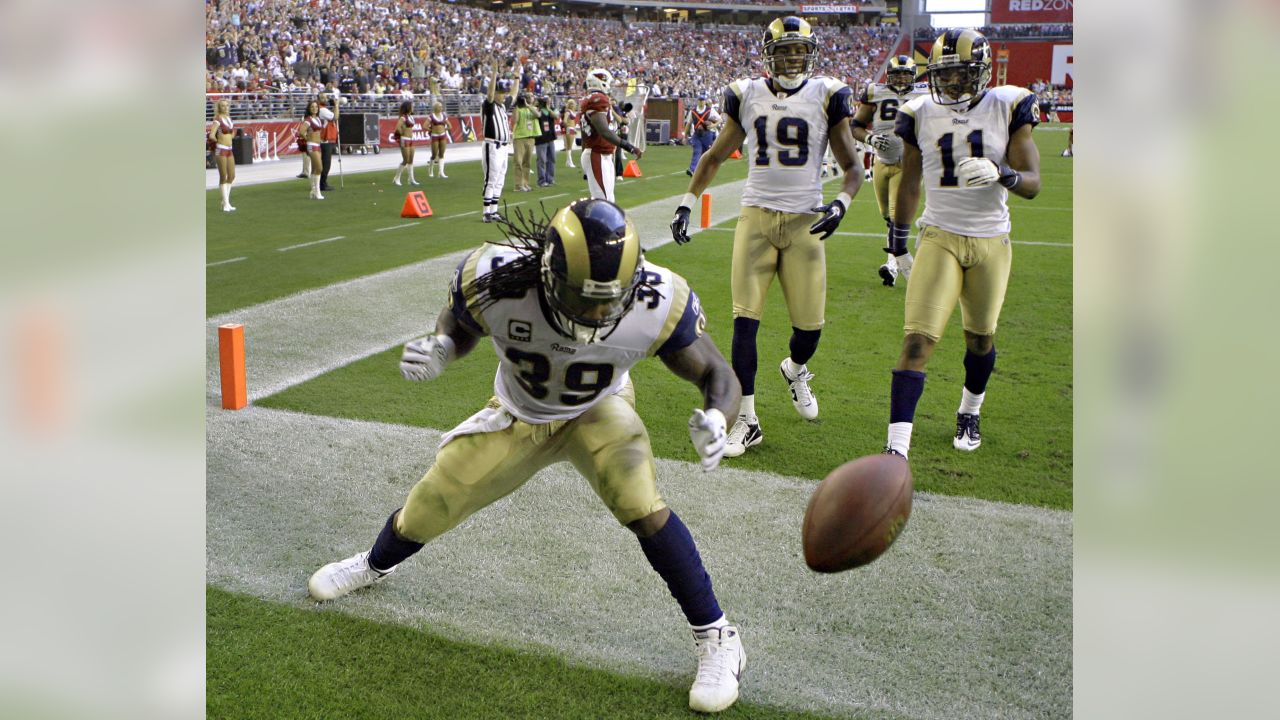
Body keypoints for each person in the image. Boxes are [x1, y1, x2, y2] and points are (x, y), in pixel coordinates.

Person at [308, 199, 746, 714]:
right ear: (548, 273)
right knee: (433, 500)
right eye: (584, 300)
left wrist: (718, 417)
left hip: (597, 409)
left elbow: (718, 373)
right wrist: (443, 347)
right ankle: (374, 565)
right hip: (520, 413)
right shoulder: (497, 279)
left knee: (642, 504)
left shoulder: (658, 298)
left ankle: (719, 636)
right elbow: (459, 323)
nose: (598, 315)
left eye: (610, 302)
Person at [669, 16, 862, 458]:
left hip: (804, 221)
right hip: (755, 216)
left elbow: (852, 167)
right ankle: (747, 420)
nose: (793, 58)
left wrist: (841, 204)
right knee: (744, 322)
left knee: (808, 331)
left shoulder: (828, 95)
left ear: (810, 53)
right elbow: (716, 155)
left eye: (799, 50)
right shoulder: (746, 94)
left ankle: (795, 369)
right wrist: (686, 201)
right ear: (769, 55)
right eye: (785, 50)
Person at [880, 28, 1042, 460]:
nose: (953, 84)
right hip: (939, 236)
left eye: (962, 74)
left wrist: (1002, 174)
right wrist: (897, 242)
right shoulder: (919, 111)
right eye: (946, 75)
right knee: (917, 341)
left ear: (983, 72)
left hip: (991, 239)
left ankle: (970, 410)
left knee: (980, 341)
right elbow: (910, 180)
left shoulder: (1007, 106)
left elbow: (1033, 183)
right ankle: (897, 448)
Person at [850, 54, 930, 288]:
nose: (902, 78)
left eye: (906, 74)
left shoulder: (925, 95)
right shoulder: (875, 91)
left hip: (908, 165)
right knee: (887, 216)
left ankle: (899, 267)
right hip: (880, 162)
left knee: (897, 216)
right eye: (897, 74)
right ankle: (893, 264)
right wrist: (870, 138)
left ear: (914, 75)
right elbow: (856, 126)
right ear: (889, 75)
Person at [579, 68, 642, 202]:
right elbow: (605, 132)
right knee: (604, 202)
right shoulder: (598, 99)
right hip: (597, 154)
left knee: (608, 200)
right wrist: (629, 147)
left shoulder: (593, 98)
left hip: (599, 154)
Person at [480, 69, 512, 222]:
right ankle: (486, 212)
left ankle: (494, 210)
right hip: (493, 146)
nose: (504, 95)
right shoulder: (489, 105)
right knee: (491, 179)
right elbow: (490, 95)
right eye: (502, 93)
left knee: (500, 179)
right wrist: (494, 74)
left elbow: (514, 95)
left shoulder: (502, 106)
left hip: (504, 147)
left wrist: (517, 76)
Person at [208, 99, 237, 212]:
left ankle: (226, 201)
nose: (226, 107)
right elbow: (211, 135)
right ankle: (225, 204)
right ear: (219, 108)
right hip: (221, 150)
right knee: (223, 176)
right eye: (223, 106)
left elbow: (232, 133)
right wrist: (219, 141)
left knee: (232, 176)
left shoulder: (229, 119)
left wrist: (229, 137)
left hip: (230, 149)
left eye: (227, 106)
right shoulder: (217, 119)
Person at [684, 93, 721, 176]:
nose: (701, 102)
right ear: (698, 101)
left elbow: (720, 119)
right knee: (697, 151)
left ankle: (705, 169)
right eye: (700, 100)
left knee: (706, 153)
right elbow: (688, 124)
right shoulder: (692, 111)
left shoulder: (710, 110)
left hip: (707, 134)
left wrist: (713, 125)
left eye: (703, 100)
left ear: (705, 101)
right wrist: (685, 136)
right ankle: (692, 169)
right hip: (697, 134)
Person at [298, 100, 326, 199]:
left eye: (316, 107)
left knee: (315, 169)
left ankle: (313, 191)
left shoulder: (318, 119)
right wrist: (307, 139)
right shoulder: (308, 119)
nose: (314, 108)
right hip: (312, 145)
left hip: (318, 145)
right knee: (319, 168)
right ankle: (317, 192)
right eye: (312, 107)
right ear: (309, 109)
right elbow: (301, 131)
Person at [511, 93, 538, 193]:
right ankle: (518, 185)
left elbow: (538, 115)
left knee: (527, 163)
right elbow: (516, 120)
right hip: (520, 138)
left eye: (531, 97)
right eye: (528, 97)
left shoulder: (531, 108)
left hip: (530, 137)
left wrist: (528, 106)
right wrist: (516, 106)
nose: (530, 98)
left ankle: (525, 183)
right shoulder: (517, 109)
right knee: (518, 162)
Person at [392, 100, 420, 186]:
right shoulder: (403, 117)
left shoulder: (411, 117)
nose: (413, 107)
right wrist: (402, 133)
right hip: (404, 139)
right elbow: (397, 128)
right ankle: (396, 178)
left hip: (411, 139)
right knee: (405, 160)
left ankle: (411, 179)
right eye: (412, 106)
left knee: (411, 160)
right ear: (408, 107)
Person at [534, 96, 557, 187]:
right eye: (546, 101)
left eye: (548, 100)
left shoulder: (552, 109)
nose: (548, 102)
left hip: (550, 137)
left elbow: (556, 116)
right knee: (542, 160)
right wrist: (539, 106)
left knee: (552, 159)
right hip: (541, 138)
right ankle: (542, 180)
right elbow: (537, 115)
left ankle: (550, 179)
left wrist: (548, 108)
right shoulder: (538, 110)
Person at [318, 93, 339, 192]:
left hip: (324, 139)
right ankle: (322, 184)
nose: (325, 99)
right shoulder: (322, 110)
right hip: (325, 140)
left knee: (323, 163)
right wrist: (336, 105)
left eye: (326, 97)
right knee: (326, 163)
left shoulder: (322, 109)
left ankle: (320, 183)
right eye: (323, 98)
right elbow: (335, 117)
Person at [427, 100, 449, 178]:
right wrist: (431, 130)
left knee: (442, 154)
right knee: (434, 154)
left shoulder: (443, 115)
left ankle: (441, 172)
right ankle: (431, 170)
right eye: (440, 107)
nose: (441, 108)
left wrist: (444, 129)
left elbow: (450, 126)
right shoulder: (431, 116)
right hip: (435, 136)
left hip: (442, 135)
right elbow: (424, 126)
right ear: (435, 108)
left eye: (441, 107)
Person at [561, 97, 579, 168]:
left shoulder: (572, 111)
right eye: (570, 103)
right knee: (569, 146)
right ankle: (570, 162)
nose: (572, 105)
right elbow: (564, 121)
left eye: (573, 103)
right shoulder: (568, 112)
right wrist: (569, 127)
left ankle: (568, 161)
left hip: (572, 128)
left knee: (569, 146)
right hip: (569, 129)